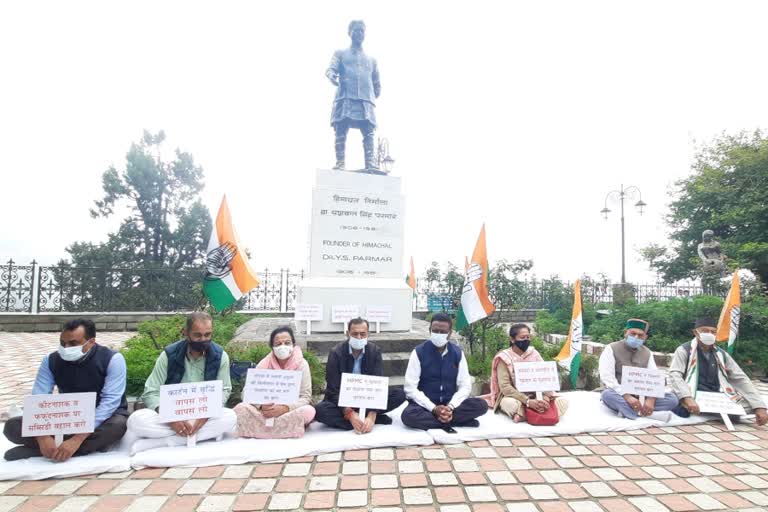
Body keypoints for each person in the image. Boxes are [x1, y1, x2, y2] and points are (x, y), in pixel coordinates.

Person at [3, 319, 128, 461]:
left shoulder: (112, 359)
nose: (66, 347)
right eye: (63, 343)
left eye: (73, 343)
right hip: (66, 416)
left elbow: (110, 403)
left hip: (101, 418)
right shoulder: (51, 360)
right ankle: (69, 448)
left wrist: (77, 439)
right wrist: (42, 436)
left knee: (118, 426)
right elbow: (38, 399)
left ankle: (45, 451)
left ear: (91, 342)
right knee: (12, 426)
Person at [126, 312, 237, 452]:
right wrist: (170, 418)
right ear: (186, 333)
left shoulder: (220, 356)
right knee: (136, 420)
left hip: (204, 415)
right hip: (172, 414)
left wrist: (206, 415)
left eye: (207, 335)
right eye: (197, 335)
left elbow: (224, 389)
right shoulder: (169, 355)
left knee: (230, 417)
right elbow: (150, 391)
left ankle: (164, 442)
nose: (203, 339)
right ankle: (194, 436)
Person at [669, 317, 768, 426]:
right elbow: (675, 375)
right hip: (693, 394)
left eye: (713, 332)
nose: (709, 334)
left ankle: (713, 411)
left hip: (716, 396)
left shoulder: (721, 354)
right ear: (695, 333)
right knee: (674, 400)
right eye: (705, 331)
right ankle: (703, 409)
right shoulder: (684, 350)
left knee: (752, 405)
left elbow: (740, 378)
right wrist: (687, 398)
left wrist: (759, 406)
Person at [314, 317, 406, 433]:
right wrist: (350, 413)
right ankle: (362, 421)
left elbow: (378, 386)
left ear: (368, 334)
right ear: (347, 334)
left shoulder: (374, 351)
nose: (359, 337)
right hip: (343, 401)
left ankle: (368, 419)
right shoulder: (336, 353)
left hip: (368, 399)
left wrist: (372, 414)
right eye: (355, 334)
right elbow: (332, 390)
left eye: (363, 334)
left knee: (399, 394)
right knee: (320, 410)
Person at [402, 313, 488, 431]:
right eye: (435, 331)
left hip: (450, 404)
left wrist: (450, 407)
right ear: (429, 330)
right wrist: (434, 409)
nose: (438, 334)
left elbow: (465, 386)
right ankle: (452, 421)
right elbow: (410, 388)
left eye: (442, 332)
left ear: (450, 333)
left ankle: (444, 418)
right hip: (425, 406)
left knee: (481, 405)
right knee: (408, 416)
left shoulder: (457, 353)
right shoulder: (418, 352)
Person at [234, 326, 316, 438]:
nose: (283, 347)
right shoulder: (264, 363)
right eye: (278, 344)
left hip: (289, 411)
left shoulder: (302, 364)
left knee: (309, 411)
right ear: (272, 347)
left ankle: (260, 430)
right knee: (240, 409)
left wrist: (285, 408)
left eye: (287, 343)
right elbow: (246, 393)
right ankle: (285, 430)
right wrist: (261, 406)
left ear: (293, 344)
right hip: (264, 412)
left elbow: (306, 397)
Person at [326, 20, 381, 170]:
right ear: (349, 33)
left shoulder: (372, 60)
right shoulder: (340, 53)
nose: (359, 34)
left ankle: (370, 163)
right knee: (341, 129)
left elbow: (376, 81)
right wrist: (331, 75)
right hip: (345, 96)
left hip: (365, 99)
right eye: (356, 30)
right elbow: (331, 68)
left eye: (362, 31)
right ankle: (340, 162)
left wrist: (375, 92)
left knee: (369, 132)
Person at [598, 318, 679, 421]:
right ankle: (646, 415)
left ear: (645, 337)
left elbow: (654, 378)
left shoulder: (647, 353)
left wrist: (651, 399)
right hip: (620, 394)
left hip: (642, 395)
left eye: (640, 335)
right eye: (633, 333)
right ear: (625, 333)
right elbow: (608, 378)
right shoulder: (611, 348)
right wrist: (627, 397)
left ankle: (629, 412)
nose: (636, 337)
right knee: (607, 395)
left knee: (672, 399)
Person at [487, 324, 568, 423]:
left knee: (563, 402)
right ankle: (538, 413)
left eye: (528, 337)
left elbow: (546, 377)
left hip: (538, 395)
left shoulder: (534, 354)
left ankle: (524, 415)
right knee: (510, 404)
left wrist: (545, 399)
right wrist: (528, 401)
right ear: (512, 339)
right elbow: (505, 387)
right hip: (516, 397)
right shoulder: (504, 357)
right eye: (522, 337)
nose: (526, 340)